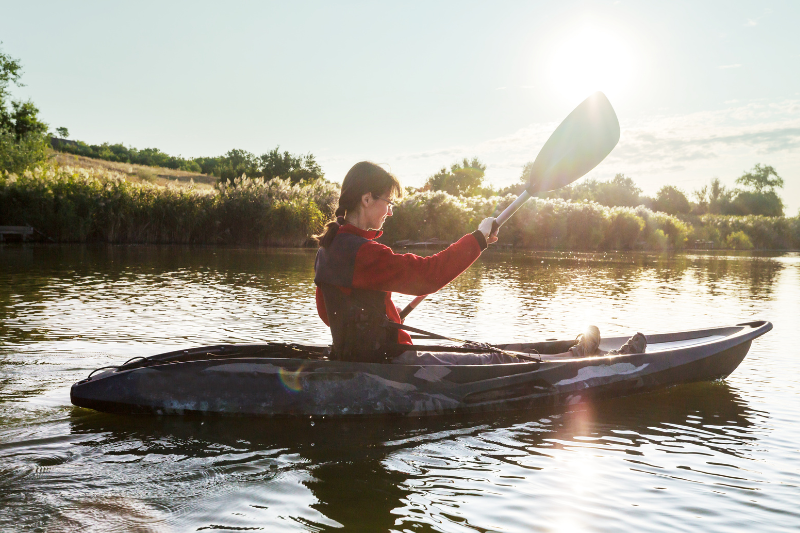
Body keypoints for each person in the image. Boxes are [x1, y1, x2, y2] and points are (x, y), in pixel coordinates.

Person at [313, 161, 646, 364]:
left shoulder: (329, 247)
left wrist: (378, 319)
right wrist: (479, 239)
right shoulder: (364, 252)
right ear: (366, 198)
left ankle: (574, 352)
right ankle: (582, 359)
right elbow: (429, 275)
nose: (389, 210)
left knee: (483, 355)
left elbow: (330, 315)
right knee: (493, 360)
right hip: (390, 363)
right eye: (388, 202)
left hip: (361, 357)